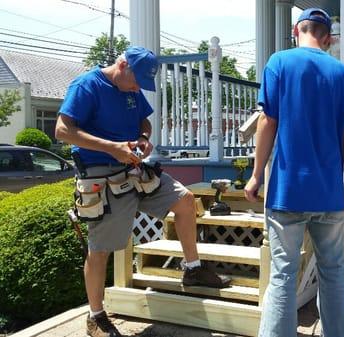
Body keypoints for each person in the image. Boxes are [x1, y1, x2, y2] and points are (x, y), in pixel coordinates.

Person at [55, 46, 231, 337]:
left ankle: (192, 268)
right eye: (137, 82)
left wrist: (143, 137)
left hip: (134, 168)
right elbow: (62, 130)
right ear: (122, 64)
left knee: (185, 200)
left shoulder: (131, 90)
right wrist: (111, 148)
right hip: (101, 174)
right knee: (100, 250)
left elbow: (144, 121)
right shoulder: (87, 85)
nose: (138, 89)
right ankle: (95, 317)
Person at [244, 8, 344, 337]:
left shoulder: (279, 63)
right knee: (334, 271)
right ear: (328, 39)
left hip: (287, 193)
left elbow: (266, 121)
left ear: (295, 30)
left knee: (283, 276)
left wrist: (257, 174)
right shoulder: (343, 73)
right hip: (329, 195)